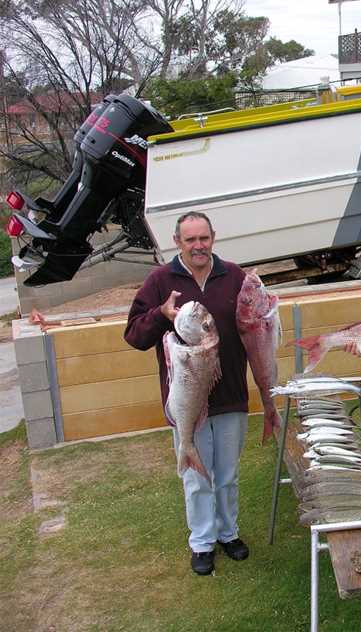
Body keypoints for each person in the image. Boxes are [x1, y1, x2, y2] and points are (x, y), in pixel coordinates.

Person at [124, 211, 250, 577]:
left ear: (214, 238)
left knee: (227, 474)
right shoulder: (161, 280)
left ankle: (229, 533)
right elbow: (133, 335)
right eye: (190, 239)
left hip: (230, 395)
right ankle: (202, 541)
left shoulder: (234, 276)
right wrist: (161, 314)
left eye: (204, 238)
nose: (198, 246)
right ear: (176, 242)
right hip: (186, 401)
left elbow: (251, 322)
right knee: (196, 477)